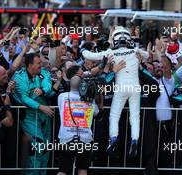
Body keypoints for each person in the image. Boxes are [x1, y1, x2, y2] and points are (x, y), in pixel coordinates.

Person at [82, 26, 149, 157]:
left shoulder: (110, 52)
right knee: (135, 117)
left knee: (114, 116)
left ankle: (113, 139)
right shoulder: (135, 50)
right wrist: (140, 54)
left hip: (121, 87)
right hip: (135, 87)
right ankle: (134, 140)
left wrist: (83, 49)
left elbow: (90, 55)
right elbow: (147, 55)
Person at [12, 53, 54, 175]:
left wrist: (43, 90)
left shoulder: (43, 73)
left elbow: (47, 84)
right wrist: (40, 107)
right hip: (30, 115)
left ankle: (43, 173)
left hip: (45, 116)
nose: (41, 65)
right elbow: (24, 98)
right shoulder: (19, 77)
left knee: (46, 147)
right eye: (38, 63)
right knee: (37, 146)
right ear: (30, 65)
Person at [57, 75, 99, 175]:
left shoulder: (62, 97)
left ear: (69, 84)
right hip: (85, 139)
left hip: (66, 138)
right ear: (82, 86)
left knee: (63, 170)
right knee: (82, 169)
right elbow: (97, 113)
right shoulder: (90, 99)